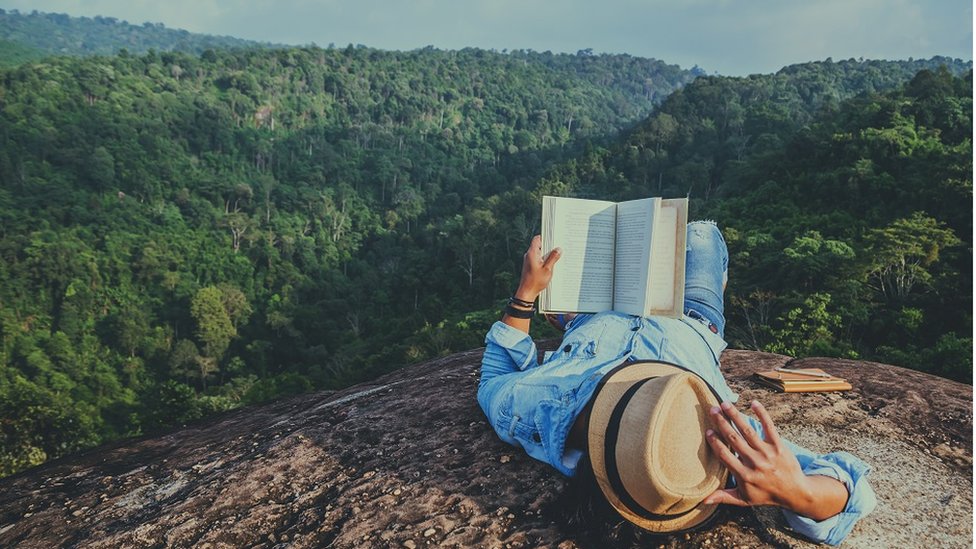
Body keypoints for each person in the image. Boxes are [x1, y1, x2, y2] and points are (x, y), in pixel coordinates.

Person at [478, 221, 876, 545]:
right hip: (690, 318)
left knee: (587, 239)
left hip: (595, 314)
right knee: (702, 233)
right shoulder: (702, 436)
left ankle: (566, 318)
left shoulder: (545, 407)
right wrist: (797, 493)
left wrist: (527, 293)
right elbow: (851, 493)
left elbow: (494, 379)